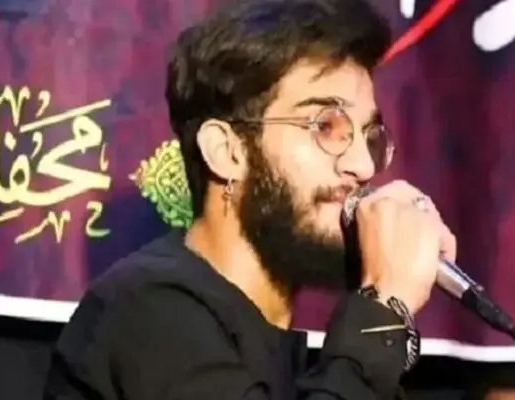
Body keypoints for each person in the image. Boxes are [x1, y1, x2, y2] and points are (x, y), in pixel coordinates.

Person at [42, 0, 456, 399]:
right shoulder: (145, 310)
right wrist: (385, 302)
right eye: (326, 126)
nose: (363, 165)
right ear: (227, 152)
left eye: (369, 136)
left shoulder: (288, 358)